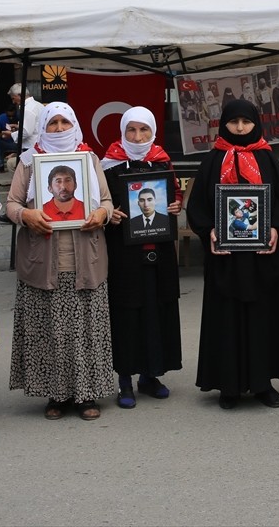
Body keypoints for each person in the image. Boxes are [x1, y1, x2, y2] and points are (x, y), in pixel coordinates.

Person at [187, 98, 279, 410]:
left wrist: (277, 227)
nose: (240, 128)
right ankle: (228, 386)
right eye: (233, 122)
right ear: (222, 124)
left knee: (262, 316)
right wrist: (209, 230)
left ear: (257, 124)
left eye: (246, 122)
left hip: (263, 259)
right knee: (227, 318)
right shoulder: (213, 160)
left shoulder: (267, 159)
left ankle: (263, 383)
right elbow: (197, 205)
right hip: (226, 259)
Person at [6, 102, 115, 421]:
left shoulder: (89, 159)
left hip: (86, 262)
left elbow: (106, 201)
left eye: (63, 122)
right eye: (51, 123)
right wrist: (25, 215)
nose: (57, 128)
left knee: (85, 331)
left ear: (74, 125)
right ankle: (55, 395)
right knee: (49, 331)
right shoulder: (29, 161)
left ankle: (86, 395)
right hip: (43, 262)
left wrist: (101, 214)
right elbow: (11, 204)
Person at [102, 106, 183, 410]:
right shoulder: (106, 164)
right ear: (123, 132)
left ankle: (151, 375)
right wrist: (110, 213)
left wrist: (175, 206)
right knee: (127, 312)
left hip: (159, 253)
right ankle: (125, 378)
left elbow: (173, 194)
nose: (138, 136)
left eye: (144, 130)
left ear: (153, 132)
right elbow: (99, 202)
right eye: (132, 130)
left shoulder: (161, 160)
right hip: (123, 254)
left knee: (156, 308)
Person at [8, 83, 44, 149]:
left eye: (13, 98)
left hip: (31, 147)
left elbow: (26, 132)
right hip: (39, 145)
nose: (13, 102)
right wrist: (18, 127)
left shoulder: (27, 109)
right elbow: (35, 126)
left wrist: (11, 134)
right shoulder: (39, 105)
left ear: (20, 95)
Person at [0, 103, 18, 173]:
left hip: (19, 143)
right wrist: (3, 134)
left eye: (13, 116)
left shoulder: (20, 116)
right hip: (6, 142)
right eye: (9, 116)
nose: (11, 118)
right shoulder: (1, 118)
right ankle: (0, 166)